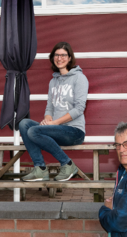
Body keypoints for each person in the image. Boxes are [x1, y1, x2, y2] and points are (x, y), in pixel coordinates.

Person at [19, 42, 89, 182]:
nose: (59, 58)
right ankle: (40, 168)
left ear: (69, 58)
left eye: (63, 55)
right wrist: (47, 119)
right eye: (56, 55)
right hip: (56, 129)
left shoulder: (79, 78)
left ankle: (67, 164)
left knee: (33, 131)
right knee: (24, 123)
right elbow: (50, 107)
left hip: (73, 132)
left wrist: (55, 123)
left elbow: (79, 109)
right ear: (52, 58)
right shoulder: (53, 82)